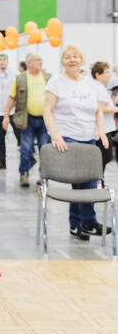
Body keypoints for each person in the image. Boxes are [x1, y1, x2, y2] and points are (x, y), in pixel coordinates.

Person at [44, 46, 112, 240]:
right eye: (67, 57)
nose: (72, 60)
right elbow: (47, 110)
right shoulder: (56, 82)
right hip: (67, 136)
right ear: (62, 61)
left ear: (81, 60)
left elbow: (99, 111)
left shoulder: (91, 84)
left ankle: (77, 225)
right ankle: (88, 222)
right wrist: (55, 134)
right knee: (82, 180)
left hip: (89, 136)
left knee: (85, 181)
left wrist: (101, 131)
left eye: (75, 57)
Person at [2, 53, 51, 187]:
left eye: (41, 59)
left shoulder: (48, 77)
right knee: (26, 148)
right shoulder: (20, 79)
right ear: (28, 63)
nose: (40, 62)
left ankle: (43, 176)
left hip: (45, 120)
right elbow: (11, 99)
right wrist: (6, 116)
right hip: (26, 119)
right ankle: (24, 173)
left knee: (44, 149)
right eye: (37, 60)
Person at [0, 53, 17, 169]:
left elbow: (15, 95)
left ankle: (29, 157)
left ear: (7, 61)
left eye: (4, 60)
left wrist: (10, 109)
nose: (2, 62)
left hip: (12, 111)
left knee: (19, 135)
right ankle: (2, 161)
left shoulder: (14, 75)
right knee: (1, 138)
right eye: (0, 60)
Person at [91, 61, 116, 170]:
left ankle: (98, 177)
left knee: (103, 157)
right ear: (97, 74)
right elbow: (101, 108)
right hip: (102, 129)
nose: (108, 75)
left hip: (103, 128)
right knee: (105, 156)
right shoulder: (99, 88)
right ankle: (98, 177)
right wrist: (115, 109)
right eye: (106, 72)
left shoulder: (99, 87)